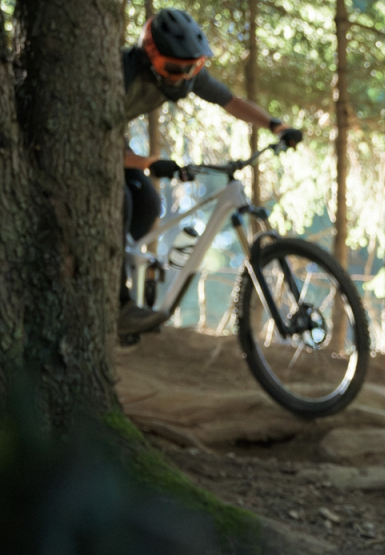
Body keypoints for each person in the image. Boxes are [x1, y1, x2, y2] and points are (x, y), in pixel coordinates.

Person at [120, 9, 303, 336]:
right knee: (121, 203)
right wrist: (147, 163)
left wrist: (275, 125)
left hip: (119, 152)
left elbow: (230, 102)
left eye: (194, 68)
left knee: (148, 205)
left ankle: (126, 268)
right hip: (96, 148)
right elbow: (92, 142)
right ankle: (121, 306)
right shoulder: (123, 73)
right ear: (152, 57)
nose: (185, 76)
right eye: (175, 69)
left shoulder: (186, 75)